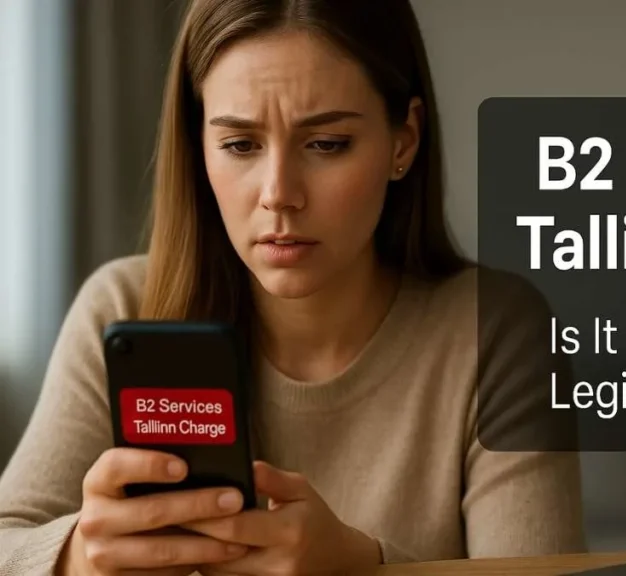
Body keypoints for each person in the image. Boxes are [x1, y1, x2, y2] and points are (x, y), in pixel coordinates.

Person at [0, 0, 586, 574]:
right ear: (198, 144)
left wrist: (363, 566)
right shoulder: (122, 306)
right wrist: (78, 557)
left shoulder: (495, 329)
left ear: (403, 141)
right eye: (239, 145)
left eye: (326, 144)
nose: (278, 192)